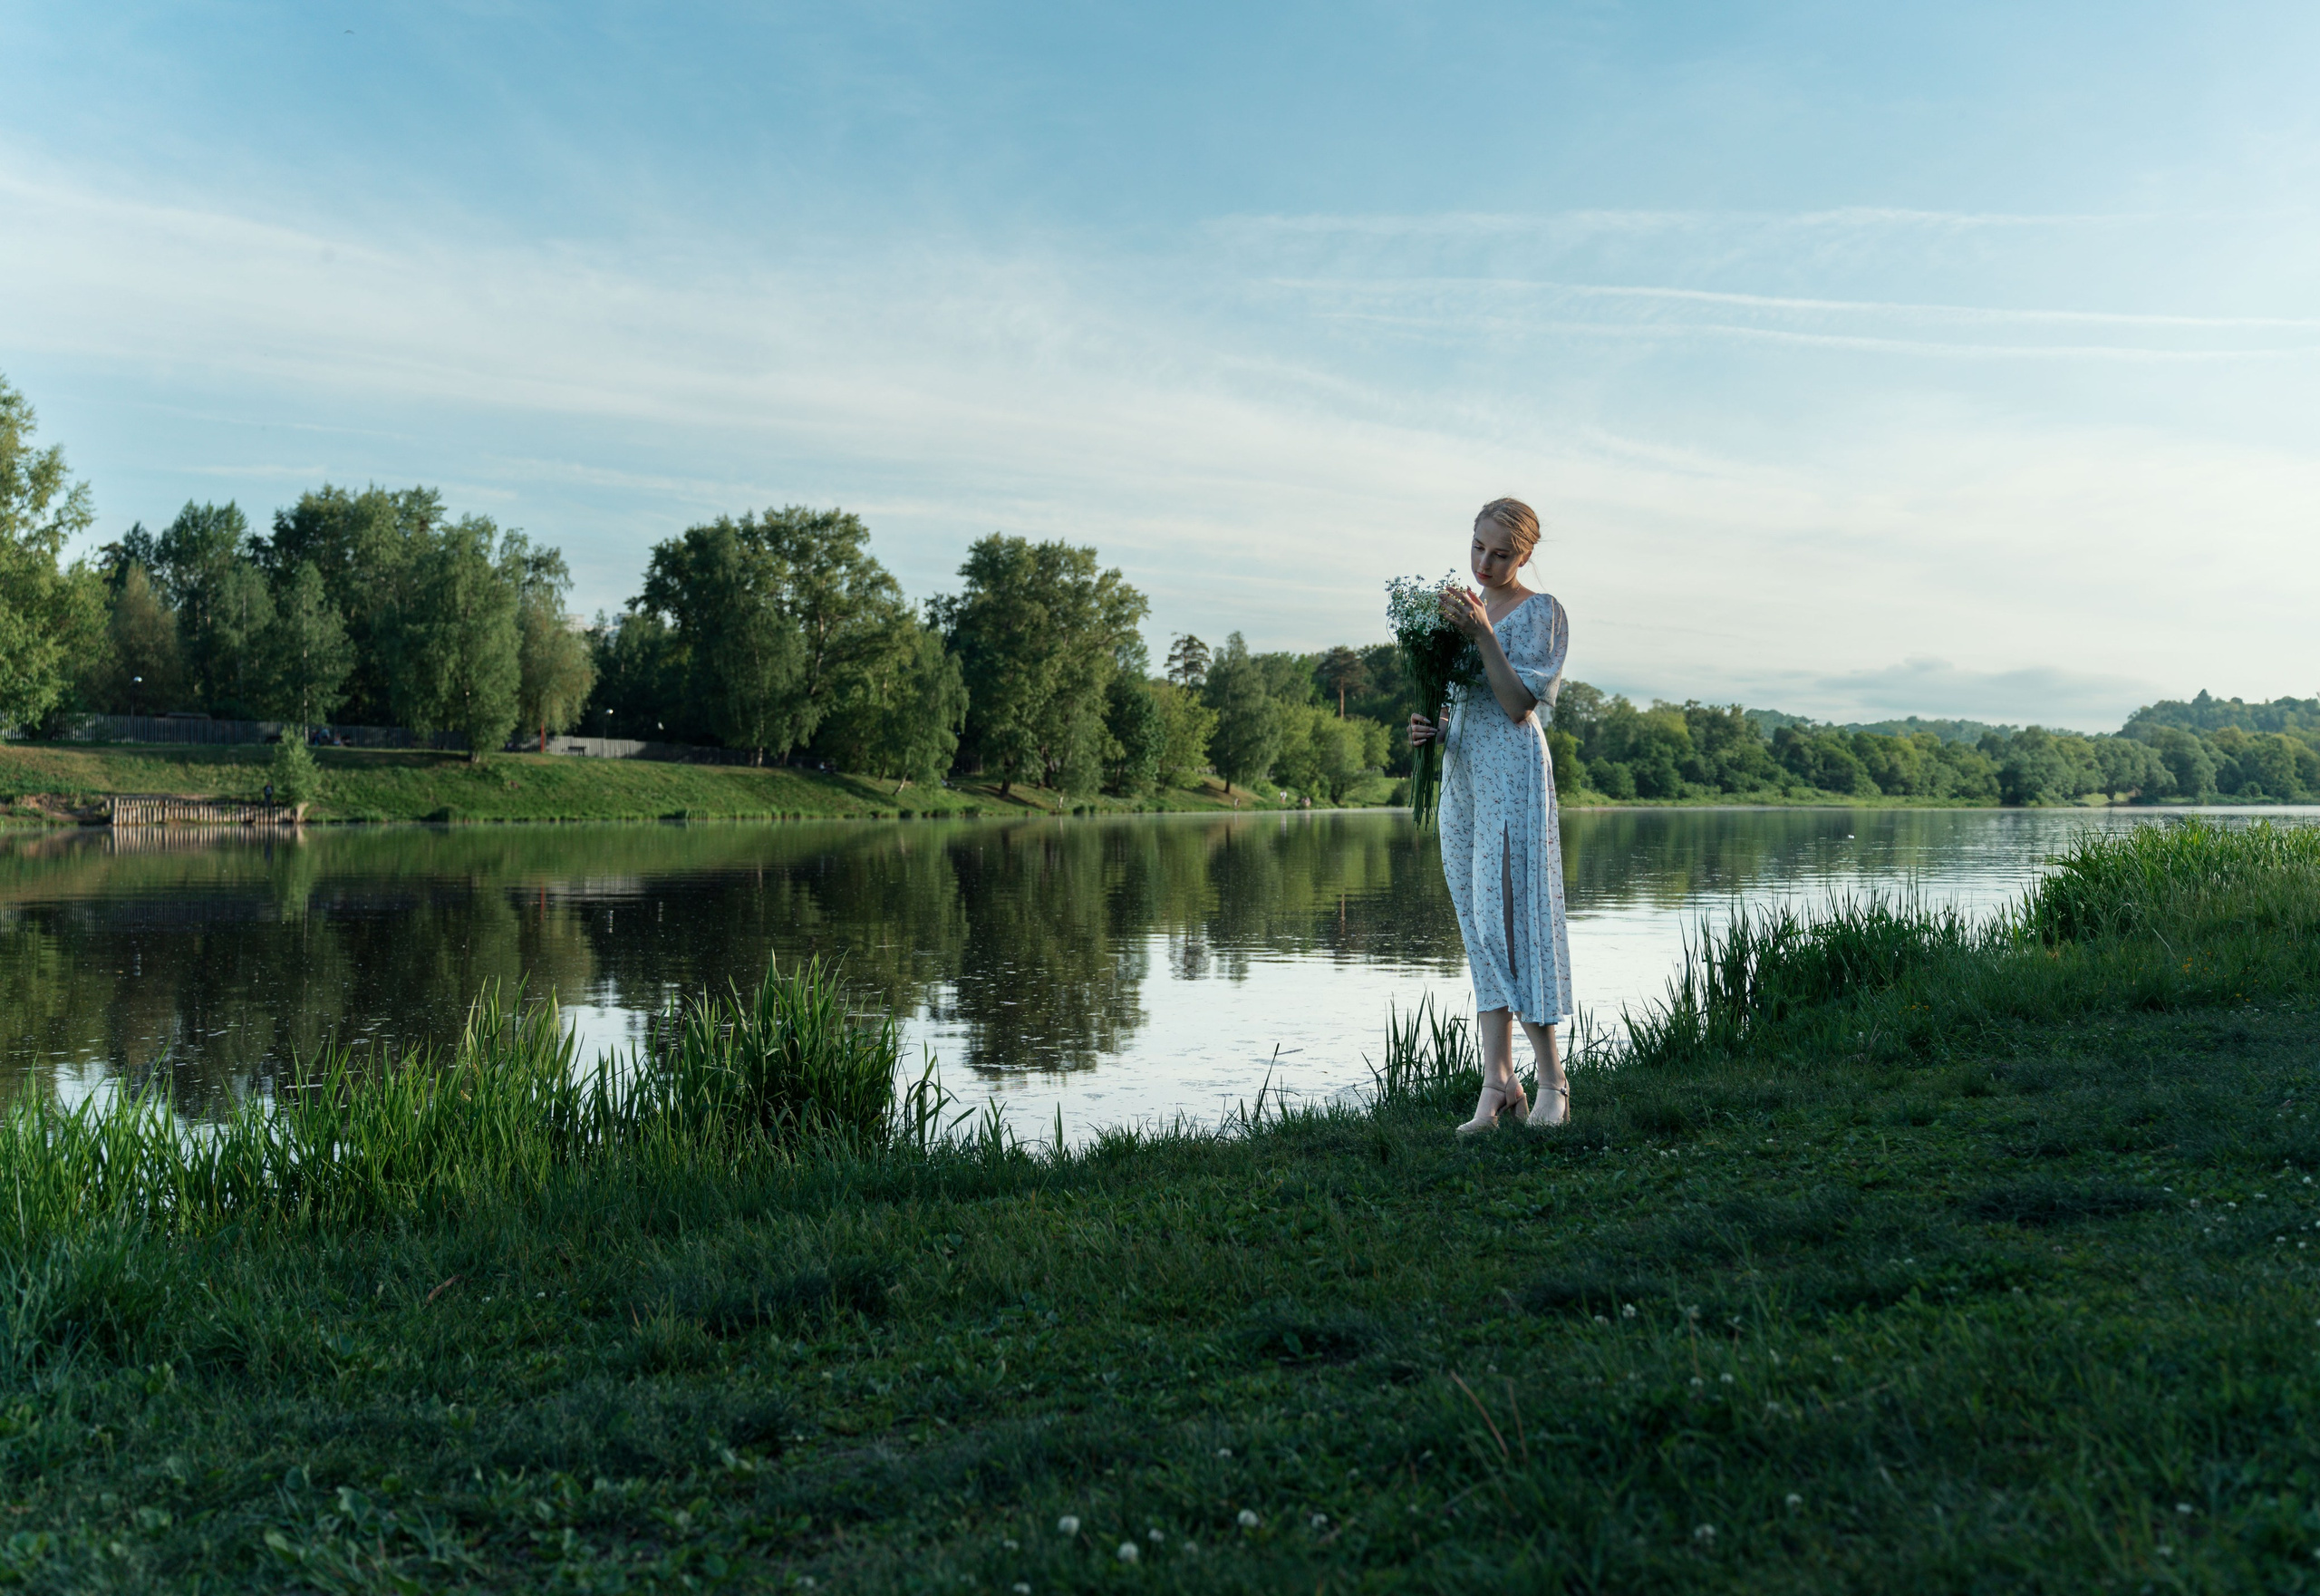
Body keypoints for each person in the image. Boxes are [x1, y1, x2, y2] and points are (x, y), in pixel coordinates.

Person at [1408, 498, 1572, 1133]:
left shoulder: (1542, 612)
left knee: (1511, 925)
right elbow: (1466, 707)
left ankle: (1553, 1082)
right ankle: (1497, 1085)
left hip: (1513, 776)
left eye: (1501, 554)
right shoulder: (1463, 612)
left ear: (1525, 554)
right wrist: (1435, 729)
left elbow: (1516, 704)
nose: (1485, 562)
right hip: (1465, 779)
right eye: (1478, 547)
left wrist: (1481, 633)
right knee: (1478, 927)